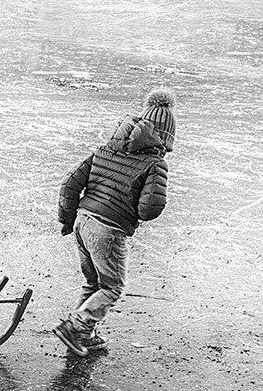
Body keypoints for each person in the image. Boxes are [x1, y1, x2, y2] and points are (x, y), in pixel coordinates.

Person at [54, 89, 175, 356]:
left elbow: (70, 184)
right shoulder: (155, 163)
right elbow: (148, 209)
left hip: (83, 222)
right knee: (112, 287)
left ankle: (84, 334)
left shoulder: (106, 148)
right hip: (108, 230)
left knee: (94, 281)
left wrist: (66, 218)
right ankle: (74, 327)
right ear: (165, 137)